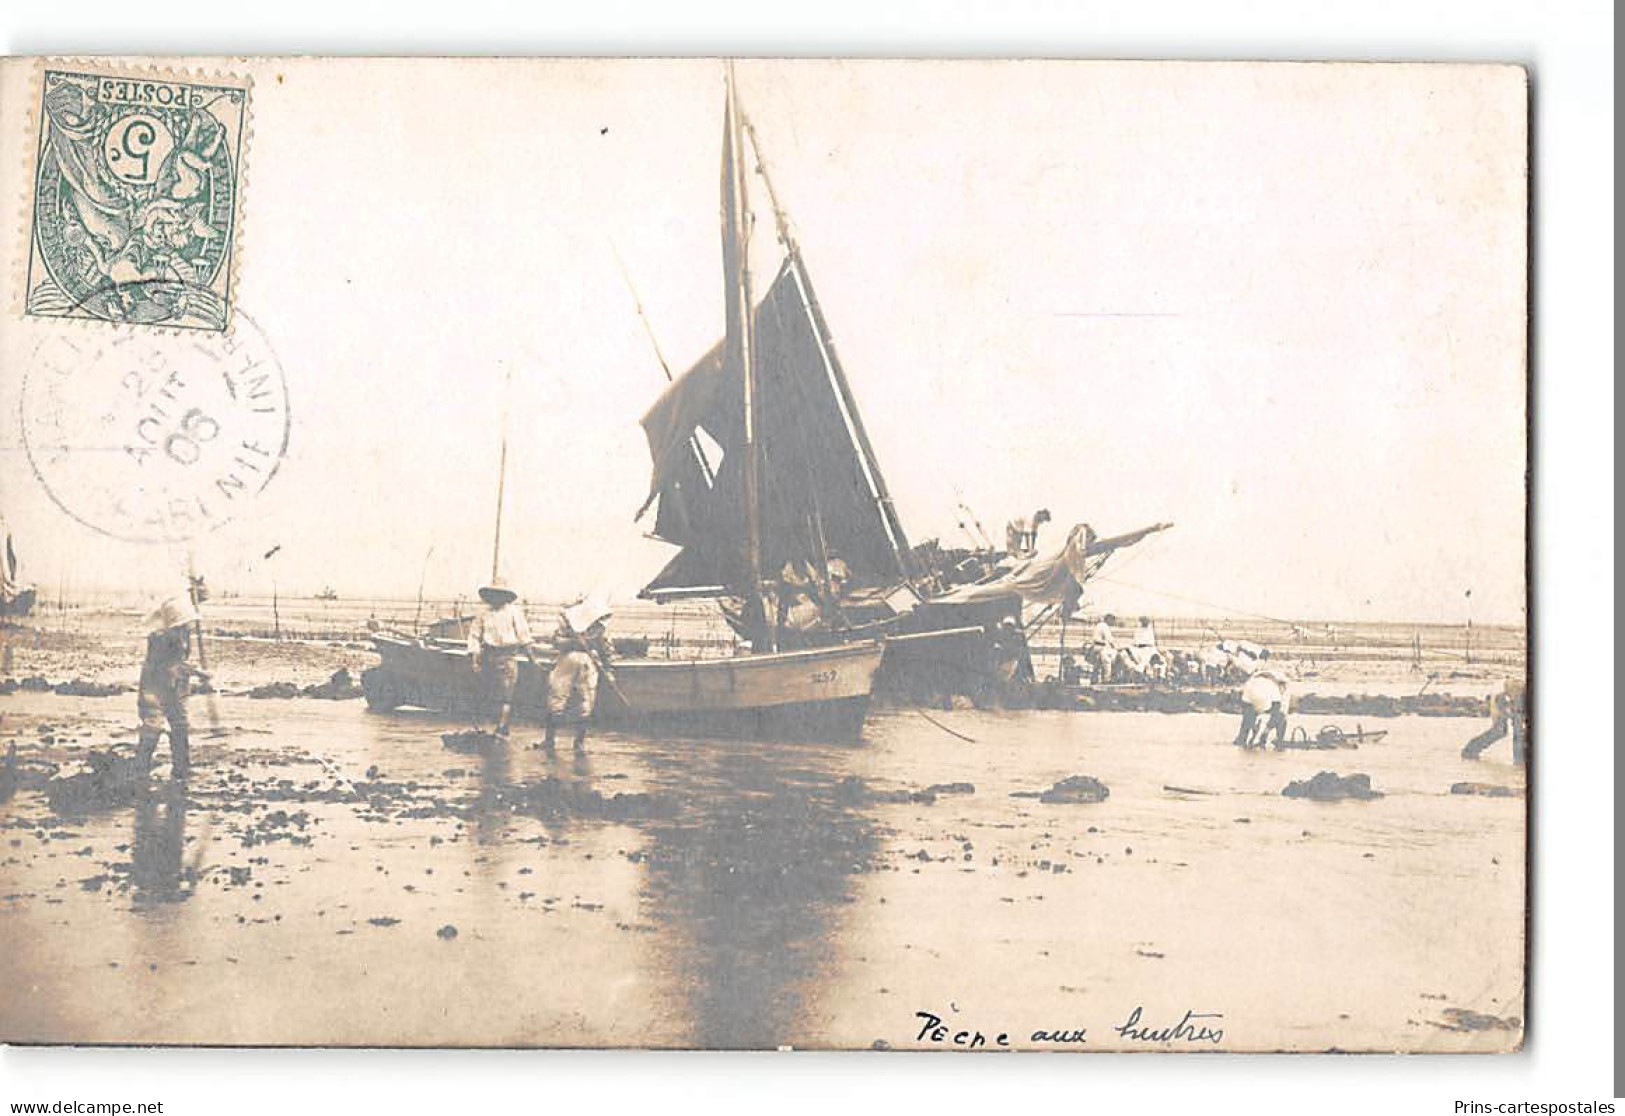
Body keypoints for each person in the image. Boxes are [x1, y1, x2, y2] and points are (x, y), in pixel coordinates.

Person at [137, 593, 207, 779]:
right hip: (155, 685)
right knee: (153, 724)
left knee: (180, 724)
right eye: (181, 624)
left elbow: (200, 597)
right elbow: (173, 666)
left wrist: (199, 590)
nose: (186, 627)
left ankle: (181, 769)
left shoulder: (183, 632)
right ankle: (140, 769)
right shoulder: (159, 639)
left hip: (177, 685)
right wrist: (199, 673)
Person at [466, 577, 534, 737]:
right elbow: (474, 636)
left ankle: (502, 727)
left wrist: (532, 659)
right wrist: (475, 659)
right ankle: (491, 727)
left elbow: (524, 636)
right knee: (489, 692)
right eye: (494, 594)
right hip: (488, 656)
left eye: (499, 594)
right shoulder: (483, 613)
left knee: (506, 693)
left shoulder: (514, 612)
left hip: (508, 656)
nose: (496, 598)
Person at [544, 598, 614, 752]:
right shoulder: (567, 624)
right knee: (558, 696)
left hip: (585, 661)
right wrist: (573, 642)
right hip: (568, 659)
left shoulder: (598, 628)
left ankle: (579, 742)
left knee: (586, 699)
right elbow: (556, 641)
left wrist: (608, 669)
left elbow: (604, 649)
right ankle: (550, 740)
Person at [1461, 677, 1527, 763]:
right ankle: (1469, 751)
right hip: (1503, 699)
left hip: (1510, 697)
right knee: (1502, 731)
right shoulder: (1511, 695)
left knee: (1515, 732)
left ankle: (1469, 751)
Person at [1235, 649, 1289, 749]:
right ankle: (1277, 741)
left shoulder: (1259, 671)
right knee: (1281, 717)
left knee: (1249, 715)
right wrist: (1266, 731)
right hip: (1265, 693)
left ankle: (1242, 738)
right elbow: (1278, 711)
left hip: (1249, 688)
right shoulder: (1279, 684)